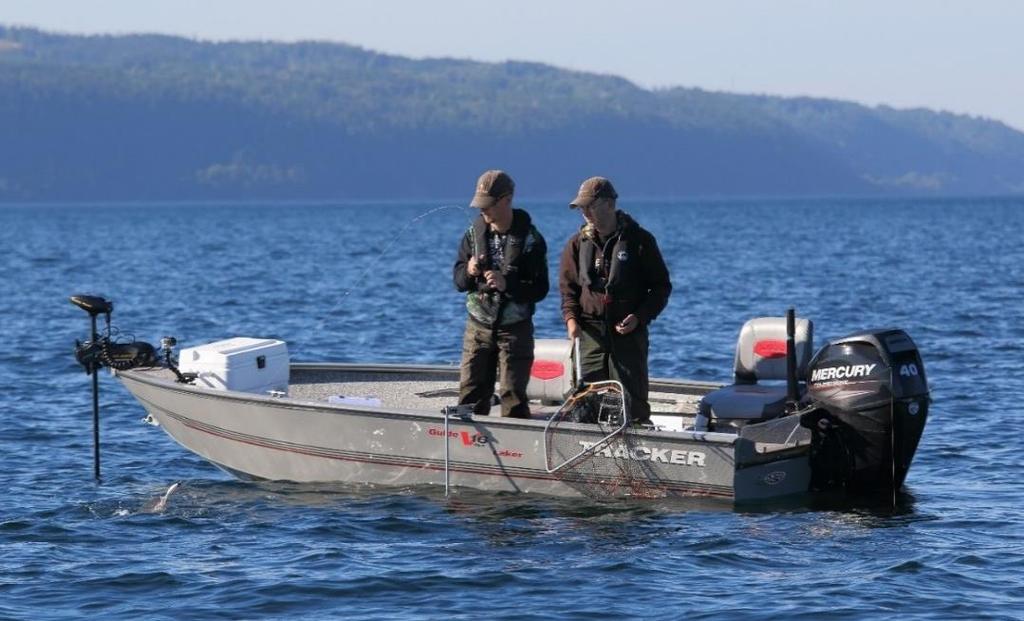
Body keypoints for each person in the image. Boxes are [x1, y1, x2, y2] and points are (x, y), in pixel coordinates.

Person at [558, 176, 672, 424]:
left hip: (628, 333)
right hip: (590, 333)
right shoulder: (576, 245)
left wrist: (640, 317)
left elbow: (661, 287)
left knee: (632, 402)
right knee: (586, 401)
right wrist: (571, 320)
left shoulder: (640, 241)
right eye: (581, 208)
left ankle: (637, 447)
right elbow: (568, 291)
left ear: (609, 204)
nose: (585, 213)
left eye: (591, 206)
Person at [453, 170, 549, 418]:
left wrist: (508, 285)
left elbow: (540, 289)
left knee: (513, 394)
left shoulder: (531, 240)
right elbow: (458, 281)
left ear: (506, 200)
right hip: (478, 326)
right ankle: (467, 446)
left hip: (515, 328)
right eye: (480, 206)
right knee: (470, 390)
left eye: (488, 206)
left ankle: (516, 447)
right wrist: (470, 270)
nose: (483, 211)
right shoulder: (473, 236)